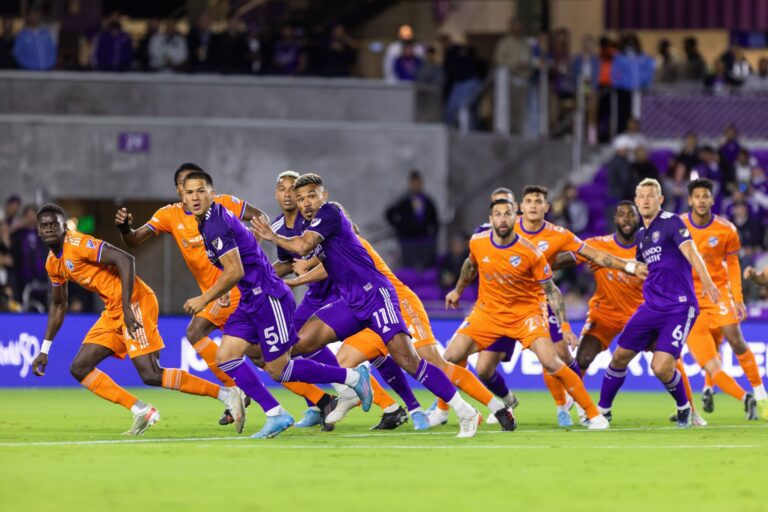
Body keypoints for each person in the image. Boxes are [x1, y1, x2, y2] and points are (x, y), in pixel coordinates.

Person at [250, 173, 483, 438]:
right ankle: (350, 383)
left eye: (312, 195)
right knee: (299, 345)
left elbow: (303, 247)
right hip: (349, 301)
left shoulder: (330, 213)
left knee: (409, 361)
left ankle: (466, 413)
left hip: (376, 295)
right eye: (301, 198)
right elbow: (316, 258)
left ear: (323, 196)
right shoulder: (310, 224)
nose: (305, 202)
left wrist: (271, 237)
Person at [115, 163, 330, 427]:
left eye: (198, 189)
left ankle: (240, 392)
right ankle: (319, 398)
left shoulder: (222, 205)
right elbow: (135, 240)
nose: (192, 194)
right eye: (186, 188)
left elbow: (258, 216)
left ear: (208, 190)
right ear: (179, 191)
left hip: (235, 288)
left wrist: (252, 247)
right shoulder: (169, 215)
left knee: (212, 339)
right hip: (219, 292)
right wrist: (125, 230)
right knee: (259, 356)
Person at [182, 171, 372, 439]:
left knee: (278, 369)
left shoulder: (215, 222)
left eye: (201, 191)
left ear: (212, 194)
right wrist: (223, 290)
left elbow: (234, 270)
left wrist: (205, 298)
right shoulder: (207, 222)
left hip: (268, 297)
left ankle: (352, 378)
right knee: (226, 357)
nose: (196, 197)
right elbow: (235, 268)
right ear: (182, 197)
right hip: (250, 298)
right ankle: (276, 414)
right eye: (190, 192)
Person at [30, 204, 245, 436]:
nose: (49, 229)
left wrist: (126, 307)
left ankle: (227, 394)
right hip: (113, 310)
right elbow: (59, 304)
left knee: (151, 373)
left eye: (54, 224)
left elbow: (125, 259)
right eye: (44, 226)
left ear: (64, 227)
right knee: (79, 368)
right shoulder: (53, 263)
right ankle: (141, 410)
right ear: (39, 231)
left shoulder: (79, 244)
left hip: (134, 302)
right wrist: (45, 349)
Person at [288, 213, 517, 431]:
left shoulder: (355, 244)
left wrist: (299, 277)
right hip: (370, 310)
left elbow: (324, 270)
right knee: (344, 362)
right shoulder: (333, 251)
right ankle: (380, 403)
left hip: (400, 304)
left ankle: (496, 407)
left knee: (433, 362)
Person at [440, 197, 610, 430]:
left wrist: (564, 326)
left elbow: (552, 289)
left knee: (552, 362)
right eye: (497, 214)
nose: (502, 218)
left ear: (515, 217)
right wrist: (458, 290)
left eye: (507, 214)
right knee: (449, 357)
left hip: (525, 314)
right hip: (487, 314)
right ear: (491, 220)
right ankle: (481, 408)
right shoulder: (478, 242)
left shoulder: (529, 251)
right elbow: (470, 265)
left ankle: (593, 414)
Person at [553, 201, 706, 427]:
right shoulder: (598, 245)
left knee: (670, 361)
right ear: (615, 219)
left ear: (639, 219)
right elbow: (567, 259)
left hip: (641, 313)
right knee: (583, 358)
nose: (626, 219)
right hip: (605, 315)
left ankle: (690, 410)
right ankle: (575, 405)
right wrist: (541, 263)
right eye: (621, 215)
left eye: (630, 215)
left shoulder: (650, 247)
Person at [515, 185, 646, 426]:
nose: (533, 205)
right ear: (520, 207)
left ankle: (580, 408)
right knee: (474, 362)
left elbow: (593, 256)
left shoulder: (559, 235)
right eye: (529, 201)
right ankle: (499, 401)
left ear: (547, 207)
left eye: (538, 201)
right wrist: (460, 288)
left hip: (536, 304)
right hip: (497, 306)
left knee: (557, 357)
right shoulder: (504, 230)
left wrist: (628, 266)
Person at [597, 178, 719, 428]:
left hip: (679, 306)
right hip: (651, 306)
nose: (645, 200)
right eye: (640, 196)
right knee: (619, 357)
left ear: (660, 199)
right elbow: (648, 268)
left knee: (661, 367)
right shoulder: (641, 236)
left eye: (651, 195)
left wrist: (706, 280)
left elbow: (691, 252)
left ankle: (685, 408)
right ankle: (602, 411)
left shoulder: (672, 222)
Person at [681, 179, 767, 420]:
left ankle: (761, 396)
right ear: (690, 200)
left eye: (705, 196)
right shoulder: (677, 225)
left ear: (711, 199)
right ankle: (706, 390)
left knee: (735, 339)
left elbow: (732, 264)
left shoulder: (726, 229)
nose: (701, 200)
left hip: (717, 293)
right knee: (710, 352)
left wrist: (737, 298)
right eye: (696, 196)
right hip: (689, 298)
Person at [385, 170, 439, 269]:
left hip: (423, 239)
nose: (416, 186)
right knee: (408, 267)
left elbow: (434, 220)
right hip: (407, 239)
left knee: (425, 266)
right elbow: (389, 213)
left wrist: (433, 238)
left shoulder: (427, 201)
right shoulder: (404, 200)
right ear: (410, 184)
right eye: (413, 183)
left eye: (418, 183)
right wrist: (400, 227)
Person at [10, 205, 48, 303]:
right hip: (22, 278)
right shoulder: (17, 234)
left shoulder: (43, 235)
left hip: (41, 279)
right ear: (24, 218)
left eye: (33, 216)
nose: (31, 219)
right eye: (29, 216)